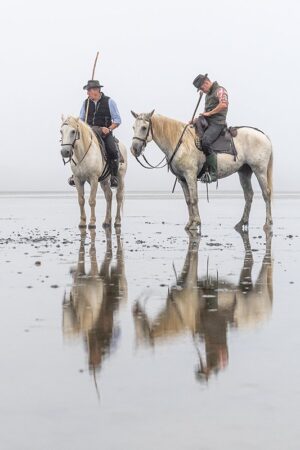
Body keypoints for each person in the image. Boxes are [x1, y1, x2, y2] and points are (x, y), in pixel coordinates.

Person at [69, 79, 121, 188]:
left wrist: (109, 129)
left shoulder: (109, 101)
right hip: (89, 132)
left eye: (89, 90)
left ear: (97, 90)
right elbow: (81, 120)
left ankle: (113, 176)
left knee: (112, 150)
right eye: (87, 91)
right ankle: (75, 174)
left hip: (104, 132)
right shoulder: (86, 103)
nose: (87, 93)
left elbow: (117, 120)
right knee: (75, 146)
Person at [192, 74, 229, 182]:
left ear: (206, 83)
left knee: (206, 142)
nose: (202, 90)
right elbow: (207, 112)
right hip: (207, 122)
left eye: (202, 88)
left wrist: (209, 113)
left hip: (217, 123)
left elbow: (224, 104)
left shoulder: (220, 90)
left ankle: (213, 173)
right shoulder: (207, 94)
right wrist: (195, 120)